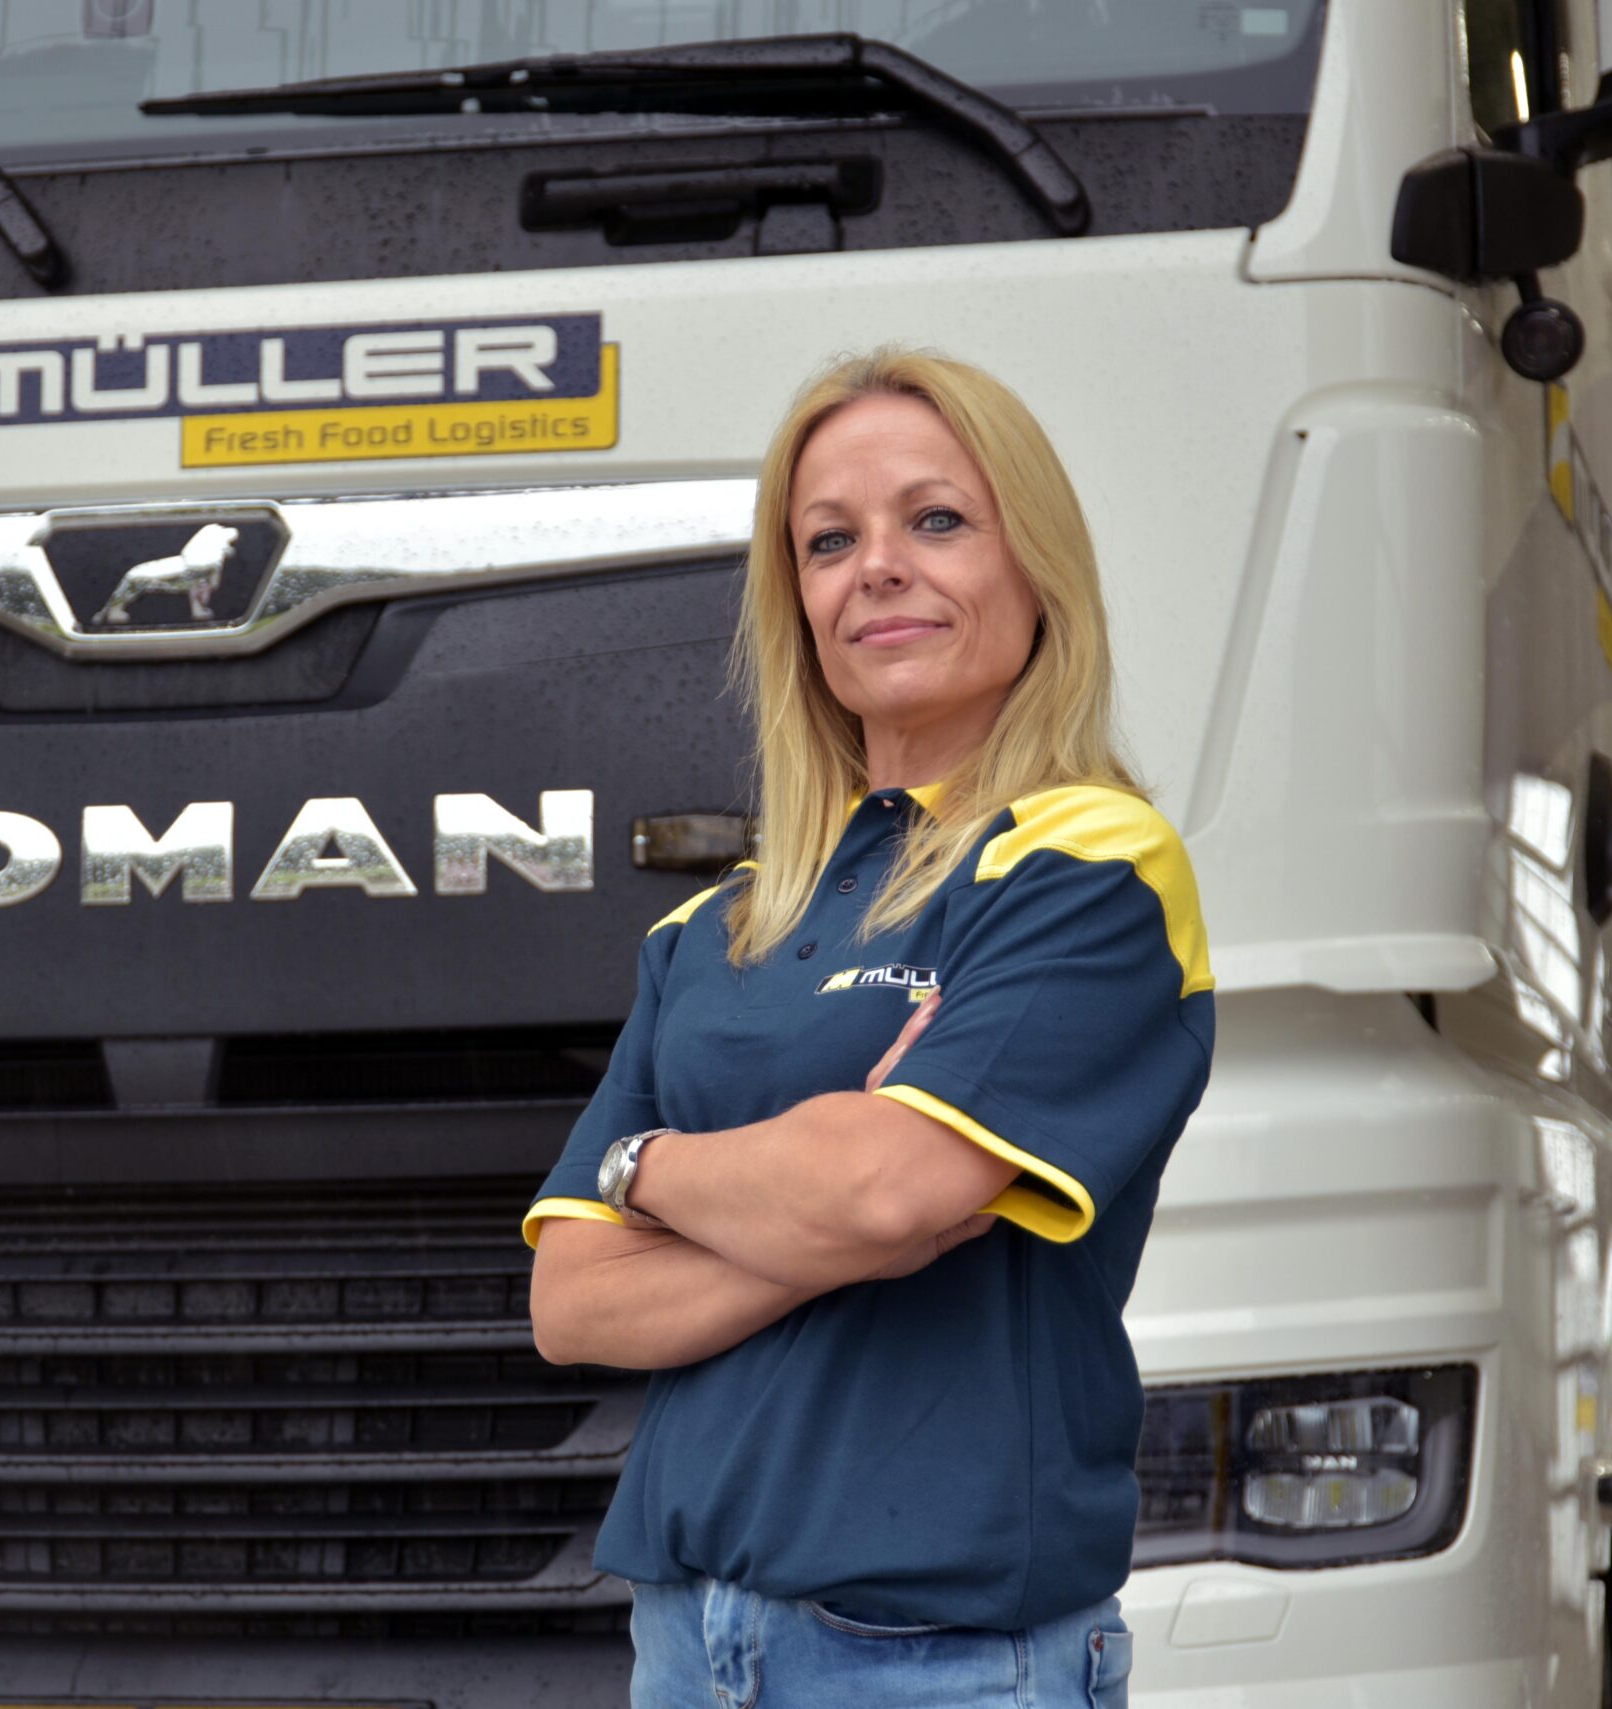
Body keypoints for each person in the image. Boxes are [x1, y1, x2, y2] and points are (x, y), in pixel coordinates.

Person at [523, 348, 1216, 1709]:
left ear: (1037, 567)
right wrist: (805, 1215)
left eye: (936, 520)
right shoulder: (716, 923)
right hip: (685, 1641)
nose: (877, 569)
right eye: (829, 542)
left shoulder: (1088, 864)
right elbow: (572, 1302)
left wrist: (652, 1171)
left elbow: (885, 1191)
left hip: (939, 1660)